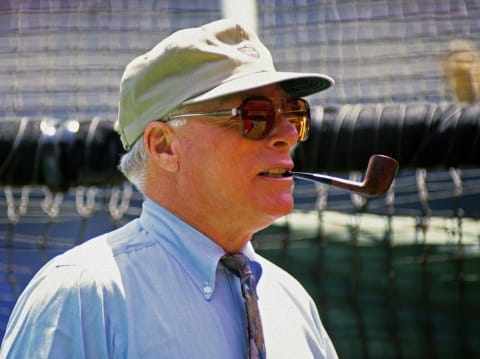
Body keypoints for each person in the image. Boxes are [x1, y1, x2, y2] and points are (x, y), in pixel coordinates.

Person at [0, 19, 338, 358]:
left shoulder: (293, 303)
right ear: (163, 146)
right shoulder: (82, 296)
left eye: (293, 113)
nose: (290, 135)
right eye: (254, 115)